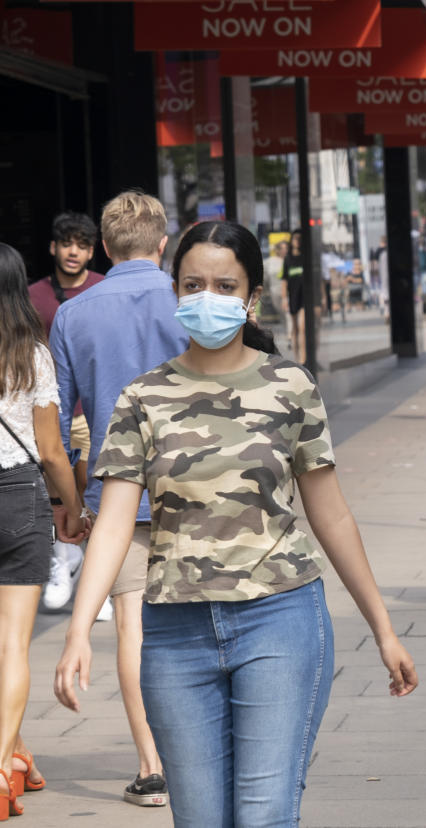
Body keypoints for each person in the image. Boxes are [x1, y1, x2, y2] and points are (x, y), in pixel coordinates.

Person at [53, 219, 418, 825]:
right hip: (173, 634)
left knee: (263, 814)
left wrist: (383, 629)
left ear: (252, 299)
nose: (207, 298)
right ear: (174, 291)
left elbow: (332, 514)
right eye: (193, 284)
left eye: (226, 286)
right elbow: (115, 524)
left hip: (280, 620)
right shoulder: (143, 397)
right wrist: (77, 631)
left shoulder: (290, 385)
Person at [49, 191, 186, 808]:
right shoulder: (189, 301)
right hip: (199, 489)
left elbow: (53, 422)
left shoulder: (73, 315)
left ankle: (152, 766)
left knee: (132, 626)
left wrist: (66, 504)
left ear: (103, 247)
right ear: (164, 243)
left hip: (117, 495)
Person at [0, 242, 88, 819]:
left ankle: (18, 752)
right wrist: (72, 506)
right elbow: (54, 451)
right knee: (13, 644)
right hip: (18, 499)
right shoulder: (31, 353)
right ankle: (3, 761)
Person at [27, 212, 105, 613]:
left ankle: (98, 572)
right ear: (53, 247)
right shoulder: (33, 295)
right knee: (54, 492)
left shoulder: (103, 290)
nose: (74, 251)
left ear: (93, 251)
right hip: (46, 410)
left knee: (94, 487)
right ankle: (63, 560)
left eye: (82, 244)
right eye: (67, 243)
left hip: (90, 408)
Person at [281, 230, 307, 362]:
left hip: (304, 297)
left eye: (299, 238)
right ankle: (297, 359)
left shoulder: (305, 257)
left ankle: (303, 359)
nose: (297, 241)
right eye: (295, 238)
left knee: (302, 328)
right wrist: (284, 298)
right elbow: (284, 280)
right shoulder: (288, 259)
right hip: (293, 296)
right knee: (295, 329)